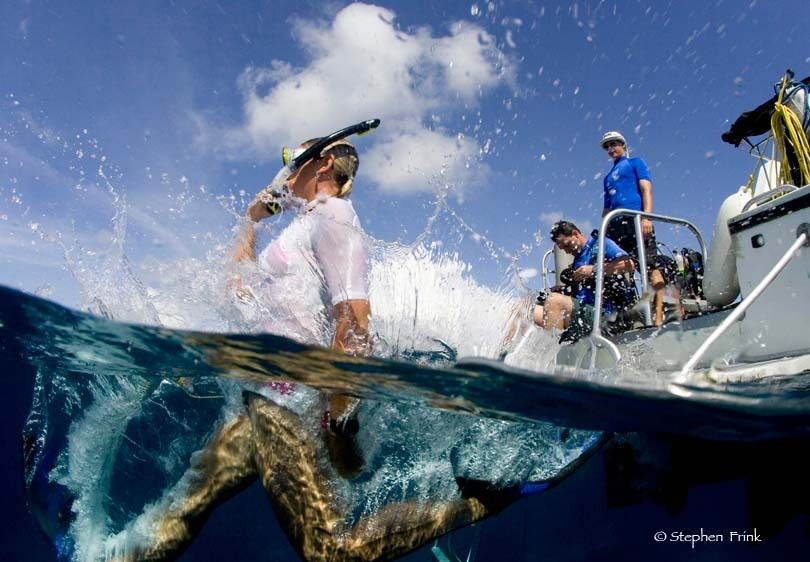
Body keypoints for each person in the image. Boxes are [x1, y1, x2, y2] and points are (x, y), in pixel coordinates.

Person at [104, 124, 520, 562]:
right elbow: (238, 286)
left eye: (289, 162)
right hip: (260, 396)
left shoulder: (334, 216)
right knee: (186, 508)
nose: (282, 174)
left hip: (288, 400)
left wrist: (339, 418)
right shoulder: (302, 226)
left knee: (329, 550)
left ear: (322, 164)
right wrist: (251, 219)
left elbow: (355, 318)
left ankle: (480, 502)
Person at [599, 130, 670, 325]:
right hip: (615, 226)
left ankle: (657, 318)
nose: (611, 148)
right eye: (607, 146)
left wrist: (646, 218)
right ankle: (625, 318)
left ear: (623, 144)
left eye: (614, 144)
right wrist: (602, 231)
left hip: (636, 222)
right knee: (613, 272)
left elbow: (647, 189)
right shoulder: (607, 178)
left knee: (650, 268)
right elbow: (606, 208)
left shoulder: (635, 163)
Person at [534, 220, 636, 342]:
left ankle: (552, 354)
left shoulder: (601, 244)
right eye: (562, 249)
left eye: (566, 245)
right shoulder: (577, 260)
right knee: (529, 309)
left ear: (576, 234)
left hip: (605, 317)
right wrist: (561, 290)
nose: (566, 251)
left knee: (554, 301)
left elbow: (628, 264)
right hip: (583, 314)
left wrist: (593, 269)